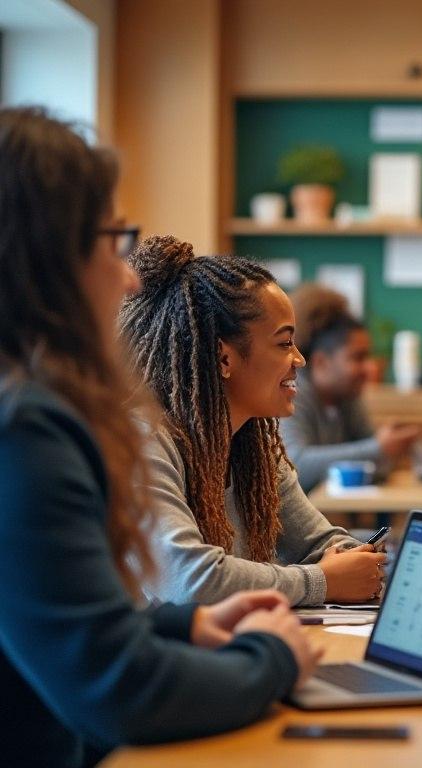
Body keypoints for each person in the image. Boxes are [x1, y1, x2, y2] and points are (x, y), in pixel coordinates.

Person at [0, 107, 319, 767]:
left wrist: (186, 624)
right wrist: (273, 658)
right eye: (113, 243)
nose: (128, 278)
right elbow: (120, 687)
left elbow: (56, 618)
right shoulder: (26, 428)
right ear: (49, 254)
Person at [118, 236, 386, 607]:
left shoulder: (251, 448)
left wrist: (360, 561)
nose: (299, 360)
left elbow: (318, 544)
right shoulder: (142, 442)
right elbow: (191, 581)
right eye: (284, 343)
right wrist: (320, 580)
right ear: (223, 358)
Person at [280, 283, 418, 492]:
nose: (368, 367)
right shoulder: (292, 391)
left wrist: (386, 448)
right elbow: (295, 464)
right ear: (321, 362)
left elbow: (375, 461)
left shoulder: (347, 395)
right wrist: (379, 448)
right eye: (358, 357)